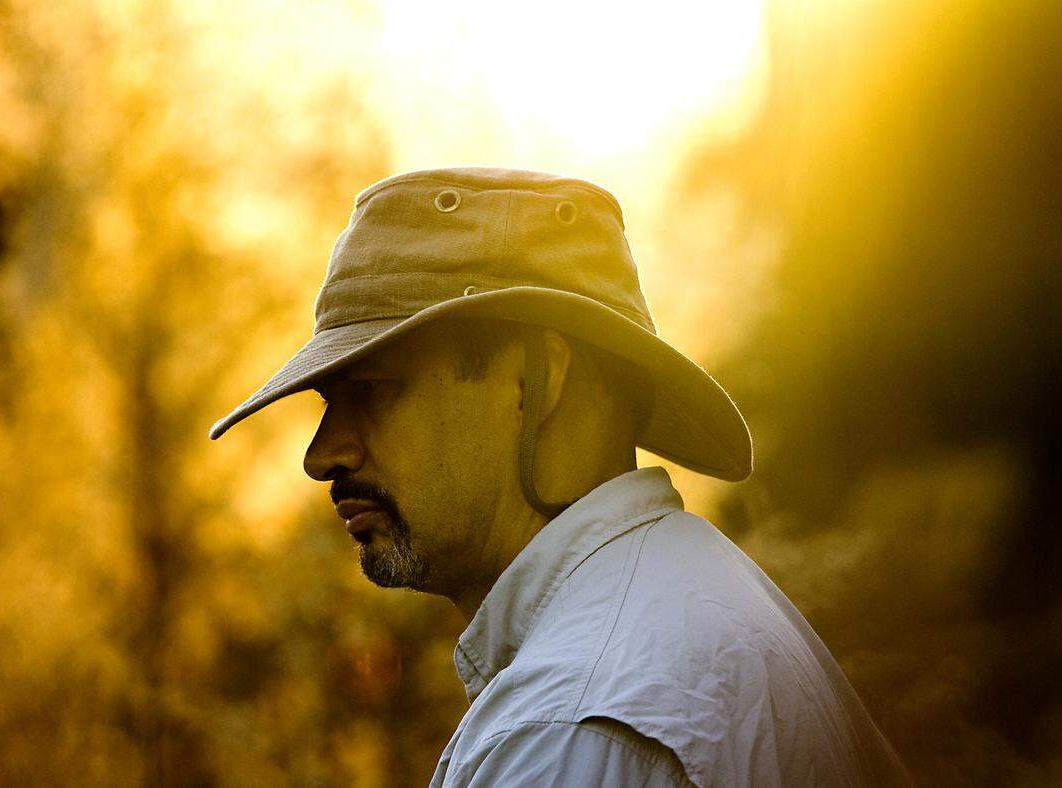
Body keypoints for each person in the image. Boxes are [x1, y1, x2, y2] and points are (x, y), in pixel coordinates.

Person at [210, 167, 911, 786]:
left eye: (374, 388)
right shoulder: (699, 597)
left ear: (535, 383)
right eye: (330, 402)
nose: (323, 454)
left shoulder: (566, 728)